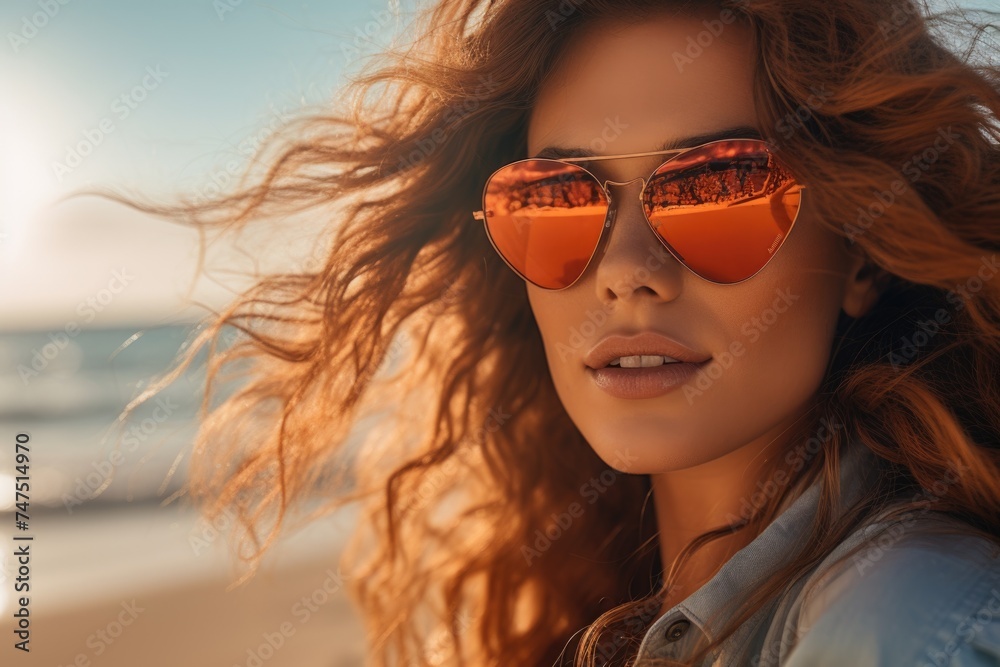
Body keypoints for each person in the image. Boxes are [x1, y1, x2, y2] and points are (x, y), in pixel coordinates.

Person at [97, 0, 1000, 664]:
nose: (625, 265)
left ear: (862, 253)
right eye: (555, 200)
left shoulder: (901, 617)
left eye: (718, 185)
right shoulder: (612, 597)